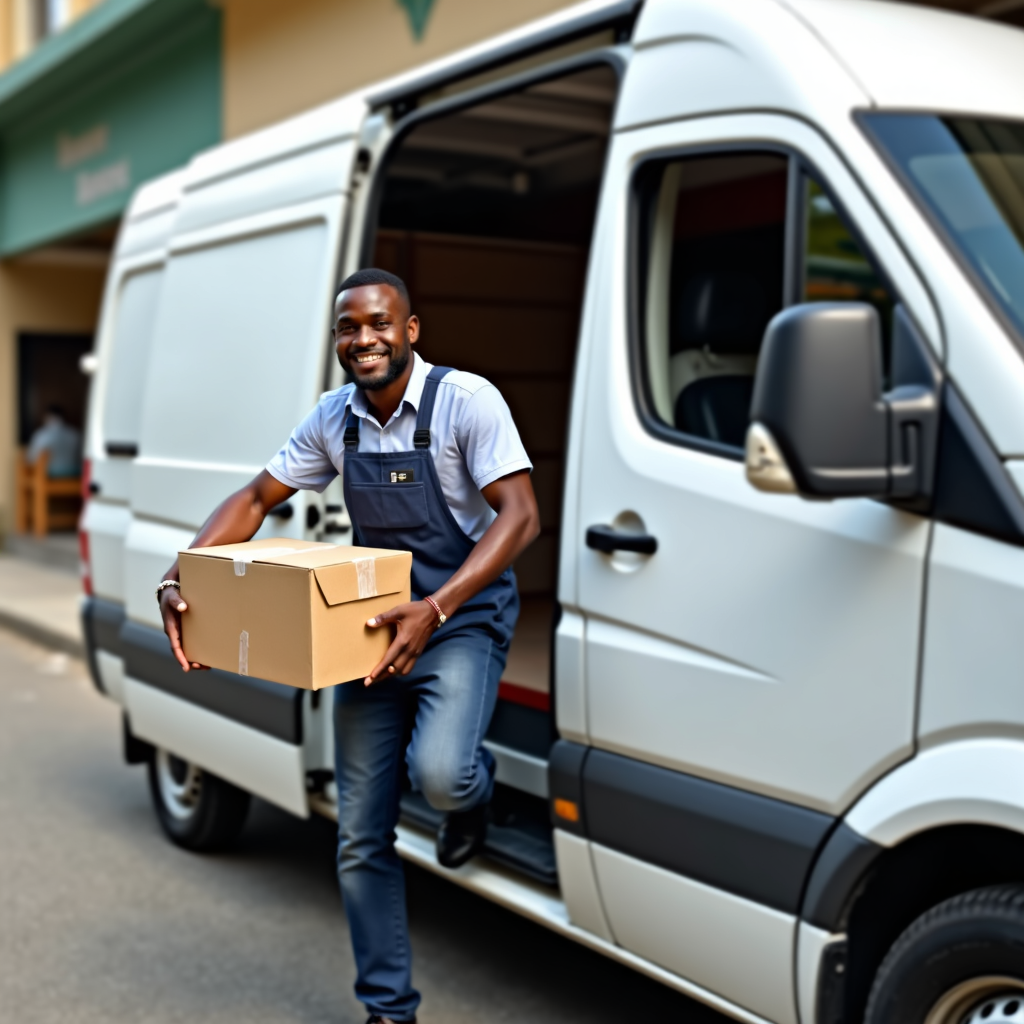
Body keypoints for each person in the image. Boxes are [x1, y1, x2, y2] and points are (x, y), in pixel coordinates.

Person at [158, 267, 540, 1024]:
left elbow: (521, 515)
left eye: (378, 323)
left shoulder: (467, 403)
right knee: (360, 838)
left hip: (457, 618)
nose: (363, 339)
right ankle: (388, 1010)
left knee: (441, 775)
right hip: (368, 633)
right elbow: (256, 498)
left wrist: (436, 606)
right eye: (348, 327)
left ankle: (474, 798)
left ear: (410, 330)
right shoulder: (335, 418)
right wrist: (186, 571)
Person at [26, 404, 82, 478]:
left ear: (46, 416)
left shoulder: (41, 434)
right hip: (75, 474)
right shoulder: (75, 433)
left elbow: (31, 459)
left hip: (49, 475)